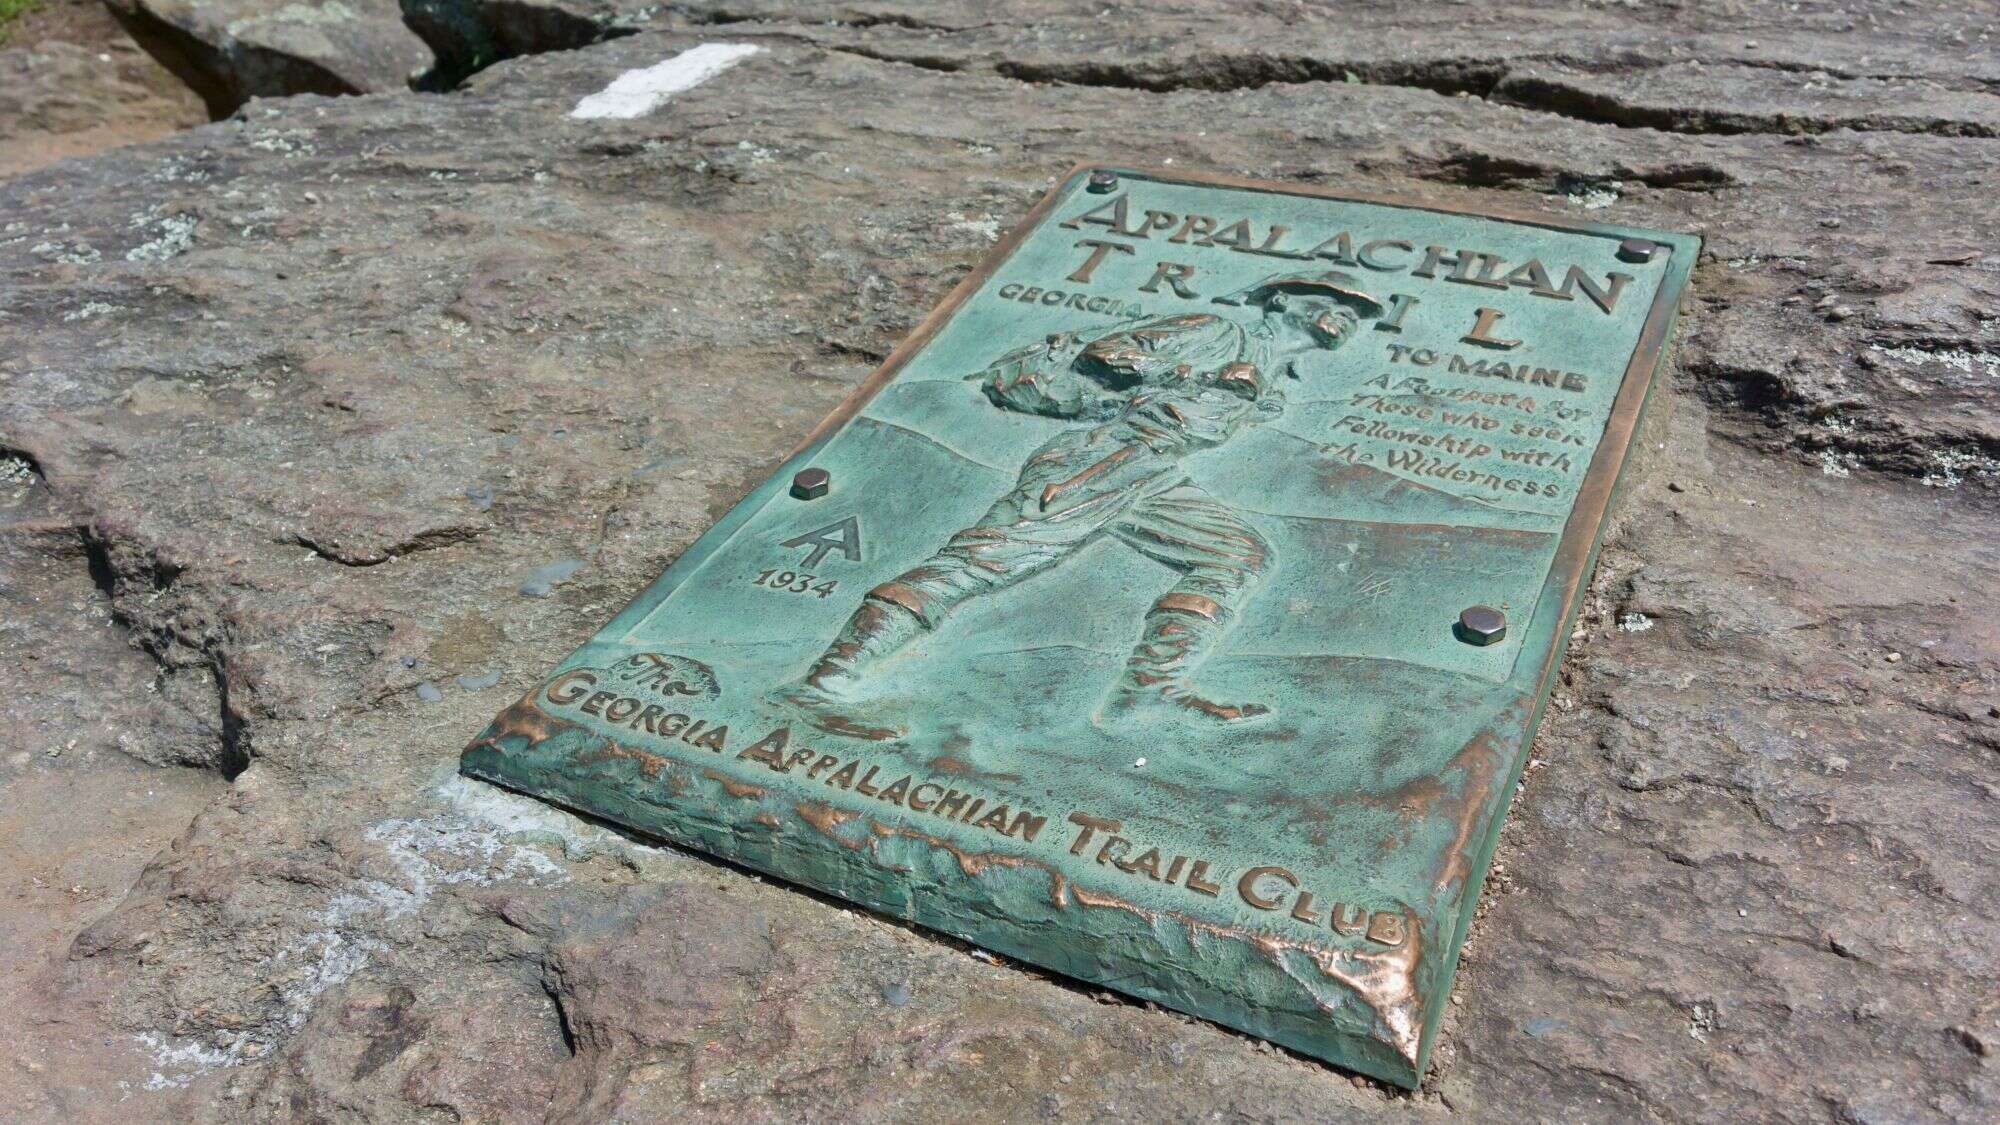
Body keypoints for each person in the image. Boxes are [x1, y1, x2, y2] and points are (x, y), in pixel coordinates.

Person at [782, 271, 1383, 733]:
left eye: (1356, 312)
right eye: (1326, 299)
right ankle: (822, 685)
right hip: (1100, 460)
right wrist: (1189, 379)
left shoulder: (1275, 375)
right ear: (1278, 300)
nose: (1342, 314)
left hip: (1150, 473)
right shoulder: (1220, 333)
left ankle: (1146, 692)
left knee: (1236, 556)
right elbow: (1110, 355)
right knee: (980, 563)